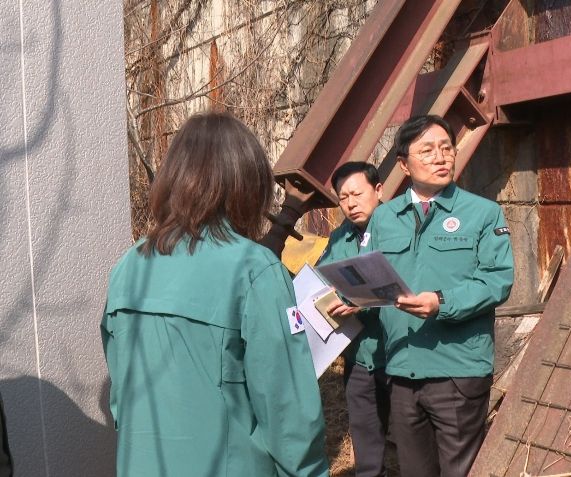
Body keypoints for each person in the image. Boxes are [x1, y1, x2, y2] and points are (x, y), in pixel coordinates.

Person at [100, 112, 329, 477]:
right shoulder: (255, 270)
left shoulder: (129, 266)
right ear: (247, 184)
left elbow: (121, 392)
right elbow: (289, 414)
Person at [363, 115, 514, 477]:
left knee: (459, 471)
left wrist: (441, 302)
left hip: (457, 371)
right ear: (404, 164)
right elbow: (371, 278)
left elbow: (497, 280)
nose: (441, 157)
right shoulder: (384, 218)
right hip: (402, 368)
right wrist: (352, 298)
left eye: (447, 148)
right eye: (428, 150)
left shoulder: (482, 213)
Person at [317, 162, 388, 477]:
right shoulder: (339, 237)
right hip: (359, 354)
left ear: (378, 190)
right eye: (343, 197)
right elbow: (322, 281)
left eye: (357, 194)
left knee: (409, 441)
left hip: (399, 351)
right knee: (366, 439)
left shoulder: (401, 228)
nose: (351, 203)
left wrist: (360, 299)